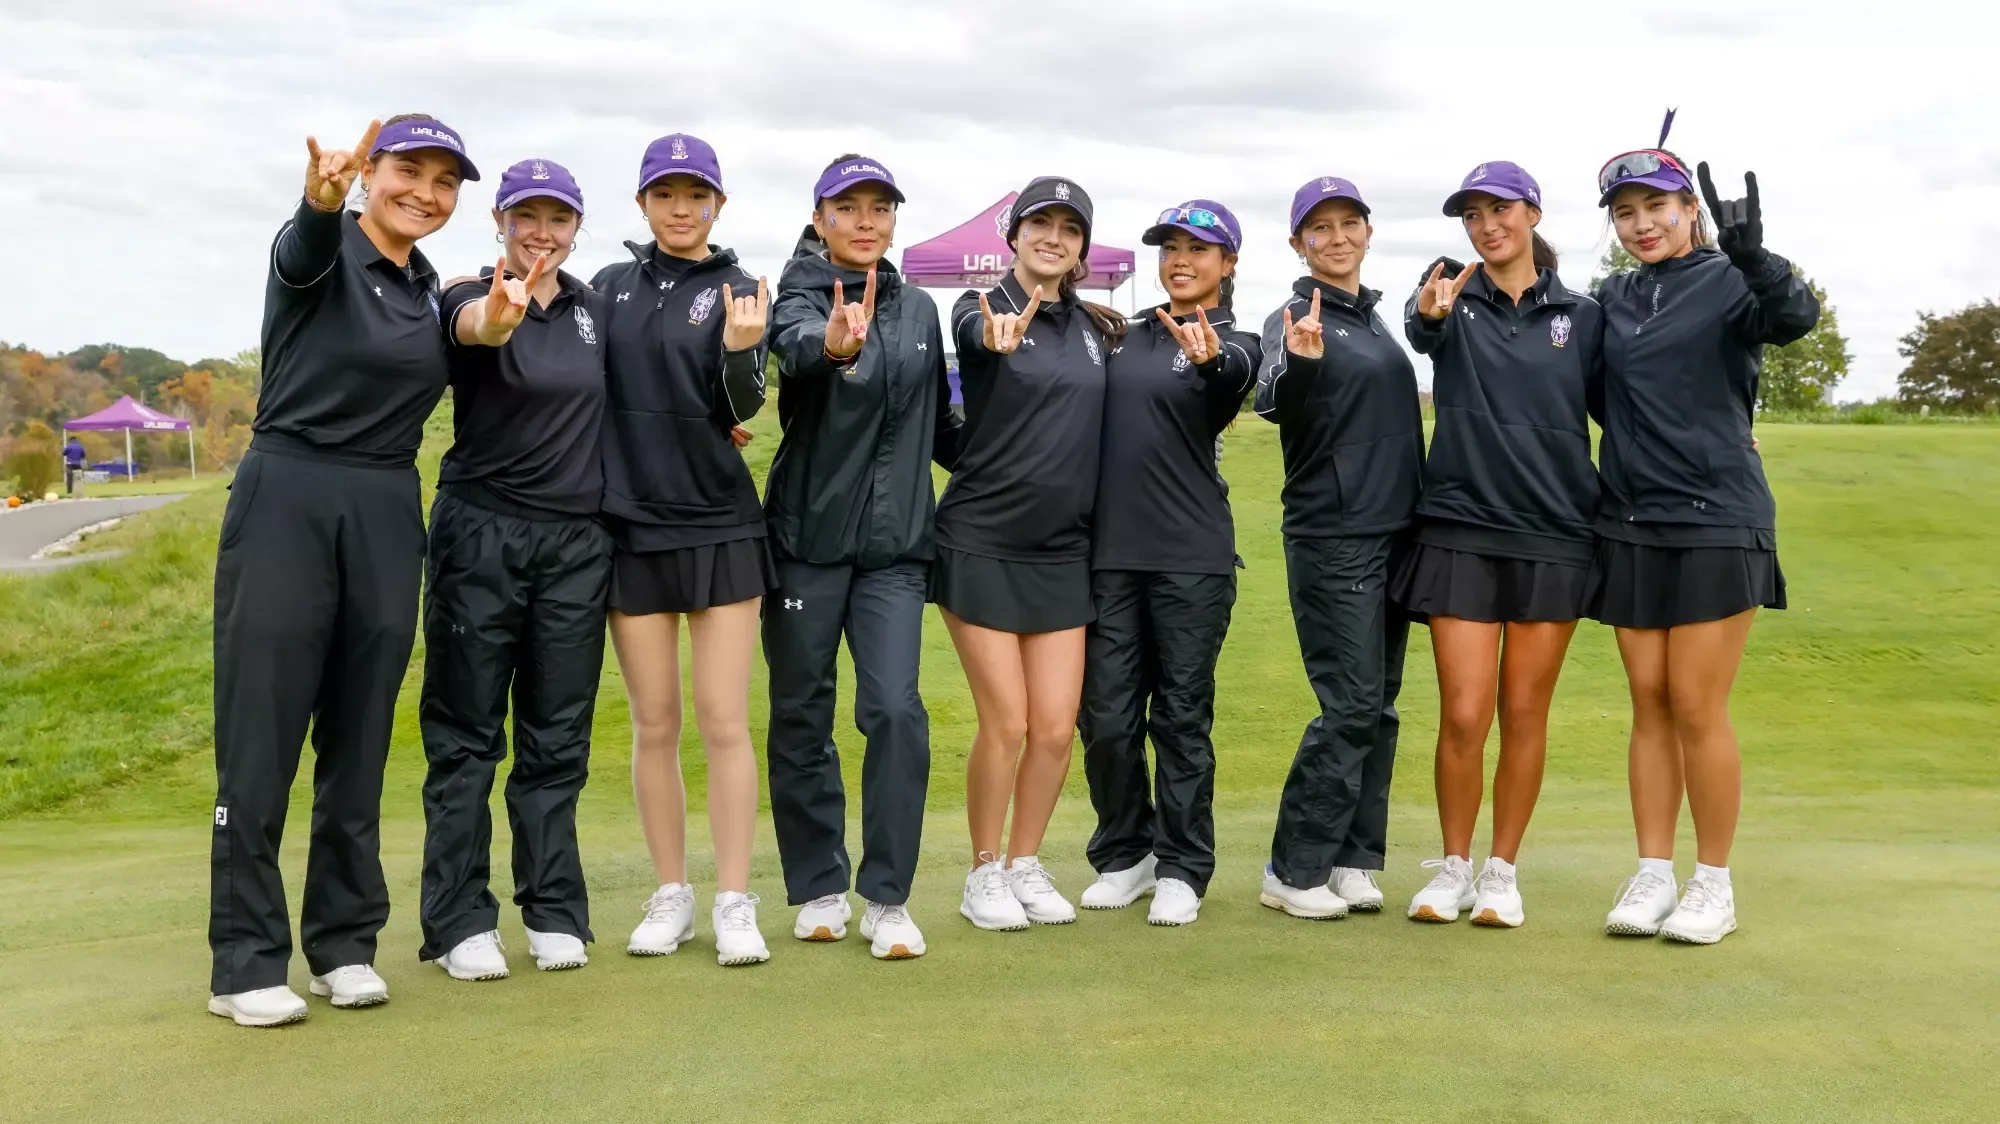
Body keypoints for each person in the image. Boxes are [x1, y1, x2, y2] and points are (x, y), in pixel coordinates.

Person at [209, 115, 477, 1027]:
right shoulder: (323, 252)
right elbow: (300, 244)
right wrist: (319, 200)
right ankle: (244, 961)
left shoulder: (428, 288)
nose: (425, 193)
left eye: (445, 181)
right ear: (368, 175)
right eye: (408, 171)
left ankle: (344, 942)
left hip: (385, 504)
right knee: (263, 731)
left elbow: (475, 336)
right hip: (290, 490)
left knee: (359, 734)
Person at [1589, 124, 1818, 945]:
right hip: (1630, 519)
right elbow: (1588, 392)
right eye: (1624, 212)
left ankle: (1712, 885)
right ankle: (1653, 874)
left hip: (1719, 518)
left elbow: (1794, 319)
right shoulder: (1612, 300)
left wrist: (1758, 258)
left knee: (1695, 702)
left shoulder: (1731, 282)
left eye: (1656, 205)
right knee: (1648, 704)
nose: (1641, 223)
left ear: (1692, 209)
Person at [1393, 162, 1605, 928]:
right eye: (1473, 214)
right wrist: (1432, 314)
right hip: (1460, 532)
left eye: (1501, 209)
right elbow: (1423, 328)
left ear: (1534, 213)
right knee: (1463, 712)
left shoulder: (1582, 316)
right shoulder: (1450, 297)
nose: (1487, 225)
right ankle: (1452, 867)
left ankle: (1502, 871)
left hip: (1555, 535)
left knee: (1524, 711)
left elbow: (1626, 408)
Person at [416, 159, 610, 982]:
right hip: (482, 534)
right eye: (526, 217)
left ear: (575, 228)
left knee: (557, 733)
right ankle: (460, 919)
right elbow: (473, 325)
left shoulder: (593, 310)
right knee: (466, 733)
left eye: (557, 219)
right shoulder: (469, 289)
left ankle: (554, 910)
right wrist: (498, 315)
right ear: (498, 219)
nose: (542, 233)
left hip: (575, 545)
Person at [763, 155, 960, 961]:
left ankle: (887, 896)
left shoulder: (919, 309)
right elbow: (799, 347)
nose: (867, 220)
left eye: (881, 207)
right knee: (803, 713)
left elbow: (944, 429)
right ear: (820, 220)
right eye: (849, 208)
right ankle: (816, 885)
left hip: (895, 551)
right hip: (807, 544)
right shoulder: (800, 296)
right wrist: (837, 346)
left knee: (893, 712)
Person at [592, 133, 774, 967]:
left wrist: (740, 355)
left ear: (717, 205)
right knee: (654, 721)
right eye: (665, 194)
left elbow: (744, 405)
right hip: (631, 527)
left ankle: (735, 898)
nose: (680, 209)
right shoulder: (608, 290)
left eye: (695, 195)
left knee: (723, 719)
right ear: (642, 203)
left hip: (720, 525)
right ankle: (673, 893)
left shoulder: (741, 290)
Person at [937, 176, 1126, 931]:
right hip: (980, 542)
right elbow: (974, 336)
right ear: (1011, 236)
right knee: (1007, 722)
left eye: (1068, 228)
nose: (1053, 237)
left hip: (1062, 553)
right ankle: (983, 872)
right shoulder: (978, 308)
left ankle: (1024, 862)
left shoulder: (1093, 330)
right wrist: (996, 335)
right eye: (1039, 224)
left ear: (1080, 246)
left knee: (1054, 726)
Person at [1076, 200, 1256, 927]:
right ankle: (1127, 853)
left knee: (1181, 718)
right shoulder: (1126, 335)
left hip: (1192, 560)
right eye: (1171, 248)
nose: (1182, 259)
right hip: (1110, 557)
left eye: (1200, 249)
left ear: (1229, 264)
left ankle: (1184, 865)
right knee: (1108, 718)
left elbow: (1231, 377)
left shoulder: (1235, 341)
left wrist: (1213, 361)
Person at [1253, 176, 1424, 920]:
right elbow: (1270, 399)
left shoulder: (1378, 321)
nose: (1336, 237)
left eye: (1348, 223)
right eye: (1318, 228)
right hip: (1334, 535)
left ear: (1367, 231)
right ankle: (1293, 869)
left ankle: (1355, 856)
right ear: (1298, 243)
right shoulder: (1292, 316)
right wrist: (1303, 361)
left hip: (1395, 533)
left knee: (1379, 707)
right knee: (1350, 704)